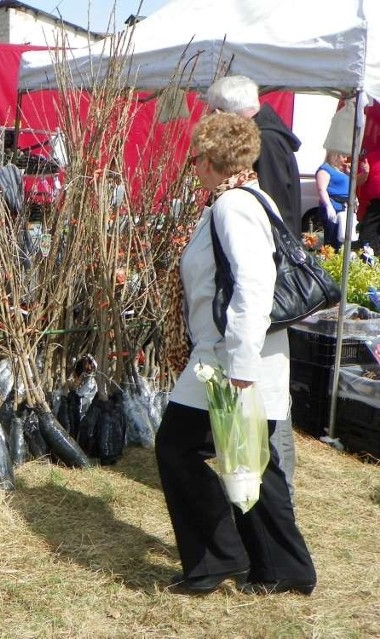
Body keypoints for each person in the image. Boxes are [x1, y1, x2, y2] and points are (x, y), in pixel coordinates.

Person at [157, 113, 316, 596]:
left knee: (179, 447)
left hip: (232, 360)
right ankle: (282, 569)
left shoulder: (233, 206)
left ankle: (221, 559)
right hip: (231, 356)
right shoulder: (244, 199)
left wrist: (241, 367)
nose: (192, 166)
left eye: (195, 157)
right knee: (251, 461)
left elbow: (251, 285)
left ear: (208, 160)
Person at [205, 75, 301, 502]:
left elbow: (275, 230)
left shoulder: (266, 148)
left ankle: (279, 501)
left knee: (267, 413)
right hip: (260, 305)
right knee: (261, 413)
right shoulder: (266, 140)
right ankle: (269, 499)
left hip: (264, 303)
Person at [205, 75, 303, 238]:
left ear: (220, 114)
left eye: (212, 114)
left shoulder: (265, 141)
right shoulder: (263, 138)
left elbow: (272, 206)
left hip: (267, 252)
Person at [316, 151, 368, 250]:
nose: (345, 160)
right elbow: (321, 189)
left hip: (345, 207)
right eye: (343, 157)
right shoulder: (325, 169)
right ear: (334, 156)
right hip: (334, 206)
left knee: (343, 237)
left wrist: (355, 198)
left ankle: (339, 257)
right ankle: (329, 258)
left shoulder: (342, 170)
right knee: (332, 237)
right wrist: (328, 206)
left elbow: (350, 186)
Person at [357, 149, 380, 253]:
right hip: (376, 203)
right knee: (367, 232)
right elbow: (358, 182)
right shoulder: (371, 157)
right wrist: (365, 173)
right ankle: (372, 258)